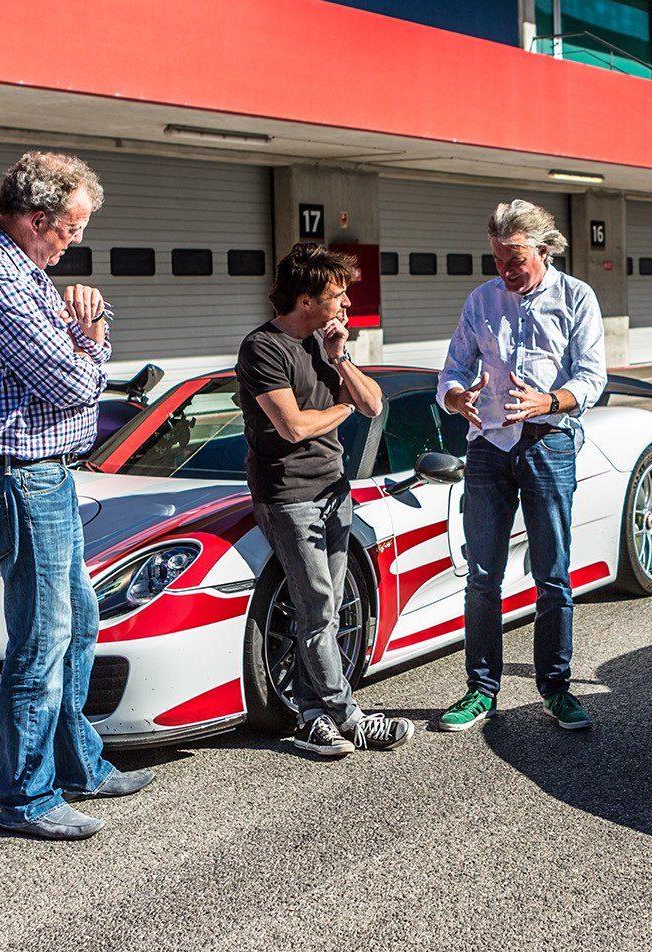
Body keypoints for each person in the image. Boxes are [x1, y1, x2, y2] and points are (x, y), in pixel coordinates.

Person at [0, 151, 153, 840]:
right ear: (37, 218)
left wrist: (88, 322)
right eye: (70, 227)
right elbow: (68, 383)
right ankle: (27, 798)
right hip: (13, 473)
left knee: (80, 623)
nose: (75, 241)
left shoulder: (27, 274)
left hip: (43, 470)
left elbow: (73, 352)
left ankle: (78, 765)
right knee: (42, 637)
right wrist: (92, 338)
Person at [236, 243, 413, 757]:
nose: (345, 305)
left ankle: (314, 719)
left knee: (328, 608)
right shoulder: (263, 348)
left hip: (334, 491)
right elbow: (292, 428)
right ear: (307, 299)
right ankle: (348, 715)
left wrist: (341, 360)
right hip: (288, 495)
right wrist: (342, 407)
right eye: (337, 295)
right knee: (316, 606)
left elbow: (375, 404)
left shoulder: (322, 344)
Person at [435, 200, 606, 732]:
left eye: (515, 259)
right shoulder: (481, 300)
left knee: (552, 574)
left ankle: (556, 688)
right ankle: (480, 689)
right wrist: (457, 396)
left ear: (544, 249)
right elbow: (451, 370)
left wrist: (549, 402)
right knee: (482, 575)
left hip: (548, 443)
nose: (504, 270)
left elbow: (593, 377)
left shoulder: (576, 297)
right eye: (498, 259)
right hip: (488, 446)